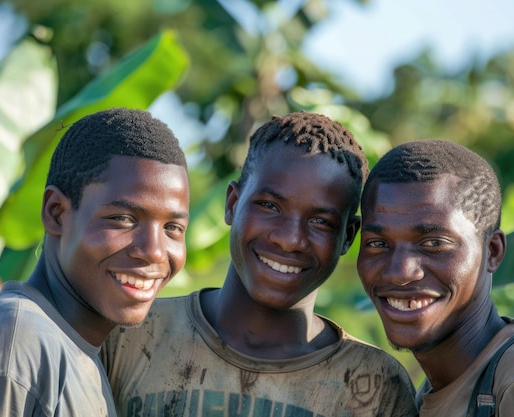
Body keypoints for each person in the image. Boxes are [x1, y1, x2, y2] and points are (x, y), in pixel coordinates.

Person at [101, 111, 418, 417]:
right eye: (269, 206)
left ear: (348, 236)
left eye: (321, 221)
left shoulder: (376, 386)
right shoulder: (127, 335)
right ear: (232, 204)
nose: (290, 239)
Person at [0, 108, 190, 417]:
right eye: (123, 219)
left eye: (172, 228)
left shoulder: (80, 351)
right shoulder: (16, 343)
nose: (153, 251)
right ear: (57, 212)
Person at [356, 139, 514, 416]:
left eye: (434, 244)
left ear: (492, 251)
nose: (400, 272)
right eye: (377, 244)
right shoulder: (434, 391)